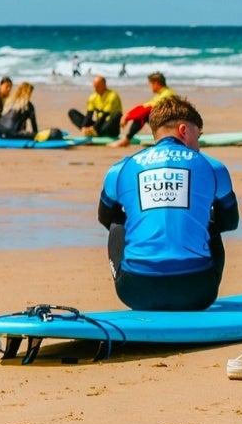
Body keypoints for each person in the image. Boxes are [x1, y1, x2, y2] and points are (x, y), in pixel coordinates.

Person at [96, 96, 234, 310]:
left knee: (117, 223)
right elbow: (230, 222)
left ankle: (136, 266)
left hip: (134, 292)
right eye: (198, 136)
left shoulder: (120, 169)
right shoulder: (214, 167)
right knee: (210, 223)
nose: (198, 146)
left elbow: (104, 218)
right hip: (200, 292)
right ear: (183, 130)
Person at [113, 73, 177, 147]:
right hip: (167, 124)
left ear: (156, 83)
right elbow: (144, 106)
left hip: (171, 125)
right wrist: (127, 115)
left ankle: (126, 140)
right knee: (144, 114)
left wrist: (127, 117)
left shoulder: (166, 95)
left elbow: (147, 109)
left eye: (151, 84)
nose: (150, 87)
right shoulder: (162, 93)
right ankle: (159, 139)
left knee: (144, 115)